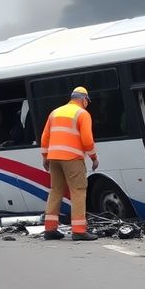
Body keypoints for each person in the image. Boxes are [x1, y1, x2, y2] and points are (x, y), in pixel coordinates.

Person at [40, 86, 98, 241]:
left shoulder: (55, 112)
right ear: (83, 99)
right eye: (87, 100)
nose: (87, 103)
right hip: (72, 158)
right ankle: (79, 230)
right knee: (78, 191)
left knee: (56, 191)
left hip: (54, 158)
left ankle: (50, 230)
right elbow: (87, 140)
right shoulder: (82, 114)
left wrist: (45, 156)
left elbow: (45, 137)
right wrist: (94, 157)